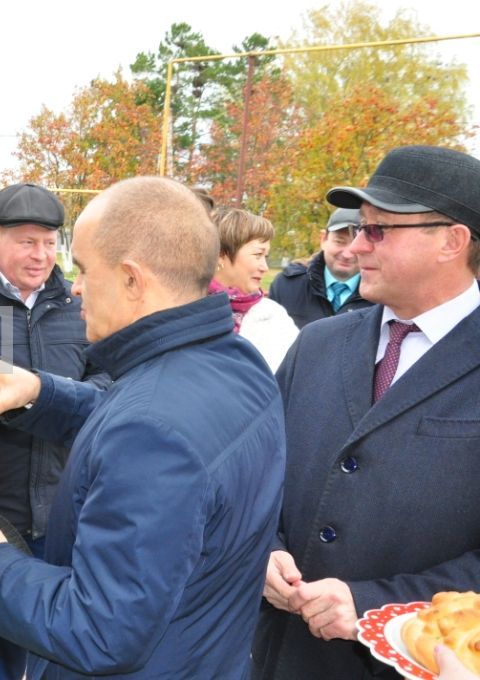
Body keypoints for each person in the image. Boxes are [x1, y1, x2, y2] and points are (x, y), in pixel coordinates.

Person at [0, 176, 286, 678]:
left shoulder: (152, 430)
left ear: (132, 279)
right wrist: (40, 390)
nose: (75, 285)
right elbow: (132, 416)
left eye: (83, 268)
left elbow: (100, 630)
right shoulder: (237, 362)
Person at [252, 145, 480, 679]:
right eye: (358, 228)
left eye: (378, 231)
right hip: (277, 656)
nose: (355, 247)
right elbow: (255, 472)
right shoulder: (319, 344)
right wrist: (262, 549)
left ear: (453, 240)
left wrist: (379, 604)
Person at [0, 183, 102, 679]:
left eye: (50, 242)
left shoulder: (79, 303)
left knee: (56, 644)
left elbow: (108, 383)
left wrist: (42, 389)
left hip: (64, 509)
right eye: (27, 242)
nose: (41, 256)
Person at [209, 206, 298, 371]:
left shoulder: (273, 317)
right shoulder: (187, 308)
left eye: (266, 257)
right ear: (221, 254)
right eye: (258, 255)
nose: (264, 267)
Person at [269, 207, 374, 328]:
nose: (347, 254)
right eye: (340, 242)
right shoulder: (287, 286)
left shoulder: (380, 297)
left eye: (357, 244)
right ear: (323, 239)